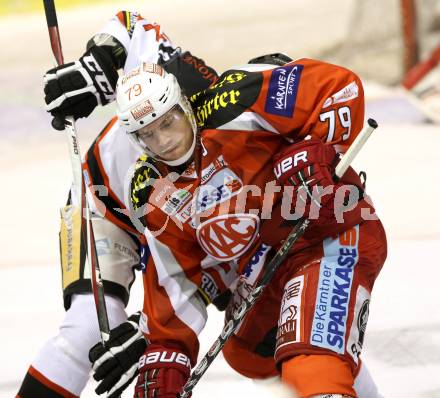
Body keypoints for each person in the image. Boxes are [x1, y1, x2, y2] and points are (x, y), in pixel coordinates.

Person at [106, 60, 388, 398]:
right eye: (148, 134)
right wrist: (166, 352)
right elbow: (176, 274)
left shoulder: (234, 101)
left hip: (328, 232)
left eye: (168, 123)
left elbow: (340, 88)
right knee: (248, 351)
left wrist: (314, 152)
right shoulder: (152, 188)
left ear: (183, 105)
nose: (164, 141)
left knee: (309, 357)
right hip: (268, 262)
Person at [16, 10, 222, 398]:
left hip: (169, 229)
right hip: (104, 202)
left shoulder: (252, 176)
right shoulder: (198, 85)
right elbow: (132, 25)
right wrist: (95, 72)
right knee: (90, 327)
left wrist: (149, 333)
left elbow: (196, 279)